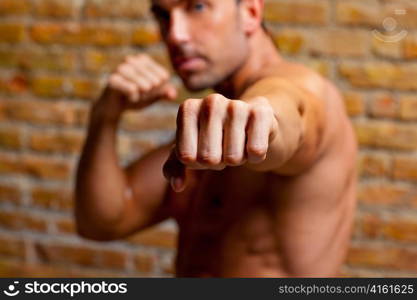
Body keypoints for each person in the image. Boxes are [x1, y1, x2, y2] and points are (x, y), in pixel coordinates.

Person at [75, 0, 358, 277]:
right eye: (163, 15)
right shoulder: (206, 141)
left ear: (250, 12)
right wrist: (104, 117)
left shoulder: (304, 90)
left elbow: (288, 116)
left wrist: (263, 120)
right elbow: (101, 222)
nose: (175, 35)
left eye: (197, 7)